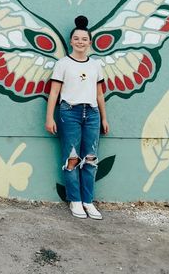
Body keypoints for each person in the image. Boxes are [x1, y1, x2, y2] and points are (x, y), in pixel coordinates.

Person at [45, 16, 110, 220]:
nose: (80, 42)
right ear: (71, 41)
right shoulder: (63, 64)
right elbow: (54, 93)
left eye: (84, 39)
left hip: (92, 114)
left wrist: (104, 118)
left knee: (90, 159)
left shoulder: (96, 65)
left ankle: (88, 201)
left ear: (90, 42)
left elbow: (99, 94)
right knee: (72, 158)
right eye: (76, 38)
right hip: (69, 113)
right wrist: (50, 118)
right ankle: (75, 201)